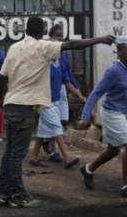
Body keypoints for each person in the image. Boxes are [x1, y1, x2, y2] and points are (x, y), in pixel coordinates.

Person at [0, 16, 115, 207]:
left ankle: (3, 191)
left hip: (12, 103)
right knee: (17, 153)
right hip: (24, 106)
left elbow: (2, 77)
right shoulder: (43, 46)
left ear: (26, 30)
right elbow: (72, 44)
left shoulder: (14, 48)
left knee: (10, 151)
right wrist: (98, 39)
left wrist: (0, 99)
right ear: (42, 32)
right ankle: (18, 193)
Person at [78, 40, 127, 198]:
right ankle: (125, 187)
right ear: (120, 53)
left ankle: (87, 169)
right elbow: (96, 93)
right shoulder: (113, 71)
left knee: (113, 150)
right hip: (112, 113)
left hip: (125, 114)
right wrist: (85, 116)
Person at [28, 31, 81, 169]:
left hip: (55, 101)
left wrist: (79, 94)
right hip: (44, 101)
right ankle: (66, 158)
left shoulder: (60, 64)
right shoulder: (43, 63)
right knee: (57, 128)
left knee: (42, 130)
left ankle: (34, 156)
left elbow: (67, 81)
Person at [43, 25, 86, 162]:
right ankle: (55, 151)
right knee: (54, 124)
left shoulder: (63, 55)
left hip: (61, 88)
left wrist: (77, 90)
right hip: (48, 92)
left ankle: (45, 143)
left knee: (62, 120)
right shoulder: (45, 54)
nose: (60, 39)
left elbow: (67, 74)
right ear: (50, 37)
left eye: (62, 37)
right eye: (57, 36)